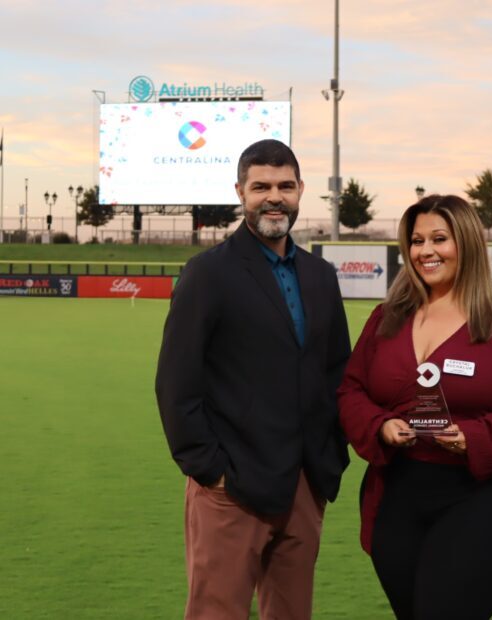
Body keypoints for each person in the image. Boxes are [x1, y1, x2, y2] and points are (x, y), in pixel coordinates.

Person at [338, 194, 492, 620]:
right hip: (399, 491)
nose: (426, 251)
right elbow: (351, 391)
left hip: (484, 494)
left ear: (467, 243)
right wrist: (381, 425)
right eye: (417, 240)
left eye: (439, 238)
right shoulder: (386, 319)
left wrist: (474, 438)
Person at [155, 139, 350, 620]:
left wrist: (328, 459)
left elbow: (336, 373)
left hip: (304, 483)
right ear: (240, 192)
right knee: (217, 612)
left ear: (301, 190)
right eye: (261, 186)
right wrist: (210, 470)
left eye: (285, 186)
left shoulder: (321, 275)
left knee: (291, 612)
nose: (274, 197)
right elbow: (176, 382)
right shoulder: (208, 273)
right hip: (231, 487)